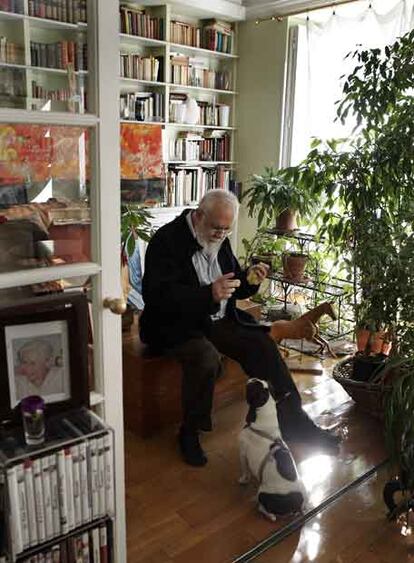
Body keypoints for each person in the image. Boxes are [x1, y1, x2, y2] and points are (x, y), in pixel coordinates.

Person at [140, 190, 340, 466]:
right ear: (198, 216)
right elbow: (157, 297)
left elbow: (233, 285)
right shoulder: (165, 241)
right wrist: (208, 294)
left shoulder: (218, 238)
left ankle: (296, 423)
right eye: (216, 228)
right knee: (205, 357)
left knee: (263, 345)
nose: (221, 234)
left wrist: (251, 279)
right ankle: (189, 431)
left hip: (216, 319)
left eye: (226, 229)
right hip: (175, 325)